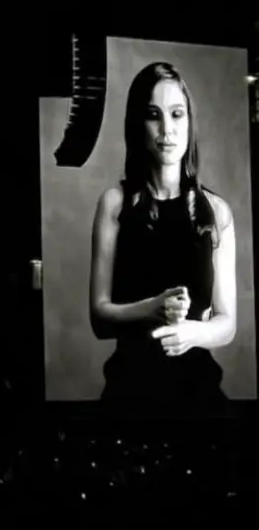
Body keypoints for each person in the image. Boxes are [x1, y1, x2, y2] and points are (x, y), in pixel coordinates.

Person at [88, 61, 237, 411]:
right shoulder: (114, 205)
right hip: (128, 396)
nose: (166, 129)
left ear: (190, 122)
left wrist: (190, 334)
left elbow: (227, 324)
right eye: (153, 114)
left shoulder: (216, 212)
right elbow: (98, 318)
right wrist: (152, 309)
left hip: (200, 399)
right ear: (138, 124)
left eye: (176, 114)